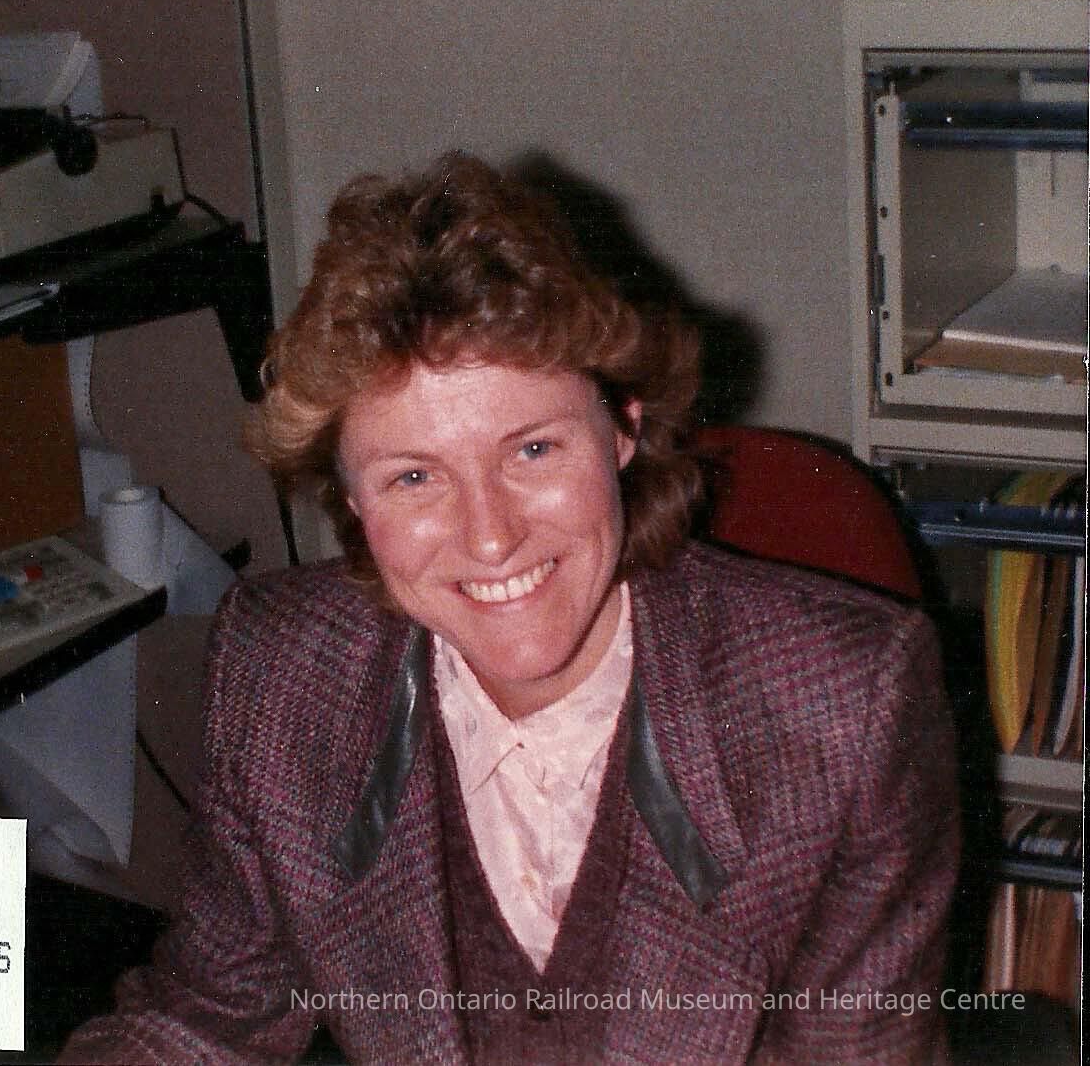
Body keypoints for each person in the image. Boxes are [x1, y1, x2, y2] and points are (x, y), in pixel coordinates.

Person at [60, 153, 960, 1064]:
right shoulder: (283, 676)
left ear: (623, 428)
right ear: (353, 502)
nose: (490, 538)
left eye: (532, 450)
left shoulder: (843, 710)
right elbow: (201, 1022)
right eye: (414, 477)